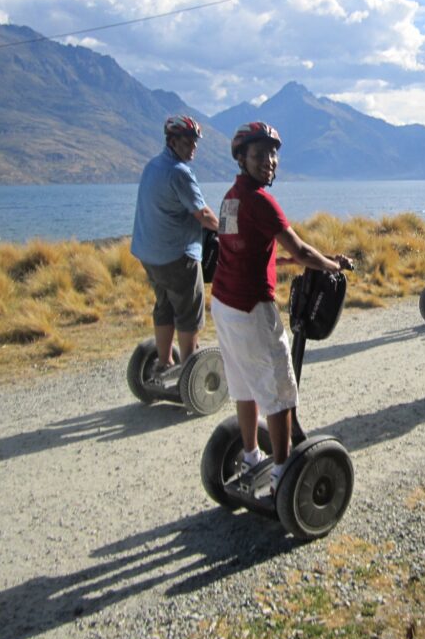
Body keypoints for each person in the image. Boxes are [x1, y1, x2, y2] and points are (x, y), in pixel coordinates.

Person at [211, 122, 353, 493]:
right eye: (259, 155)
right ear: (241, 158)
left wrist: (316, 260)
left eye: (273, 154)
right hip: (250, 307)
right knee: (280, 390)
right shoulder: (260, 200)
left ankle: (251, 456)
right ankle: (282, 473)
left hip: (224, 305)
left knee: (243, 384)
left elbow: (249, 251)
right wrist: (332, 265)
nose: (269, 161)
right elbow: (299, 249)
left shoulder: (230, 198)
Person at [130, 115, 219, 373]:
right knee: (189, 311)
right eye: (188, 141)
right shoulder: (179, 172)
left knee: (164, 305)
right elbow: (202, 214)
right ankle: (189, 369)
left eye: (195, 142)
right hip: (178, 254)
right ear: (172, 141)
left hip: (149, 253)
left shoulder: (152, 166)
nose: (193, 147)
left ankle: (164, 360)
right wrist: (229, 229)